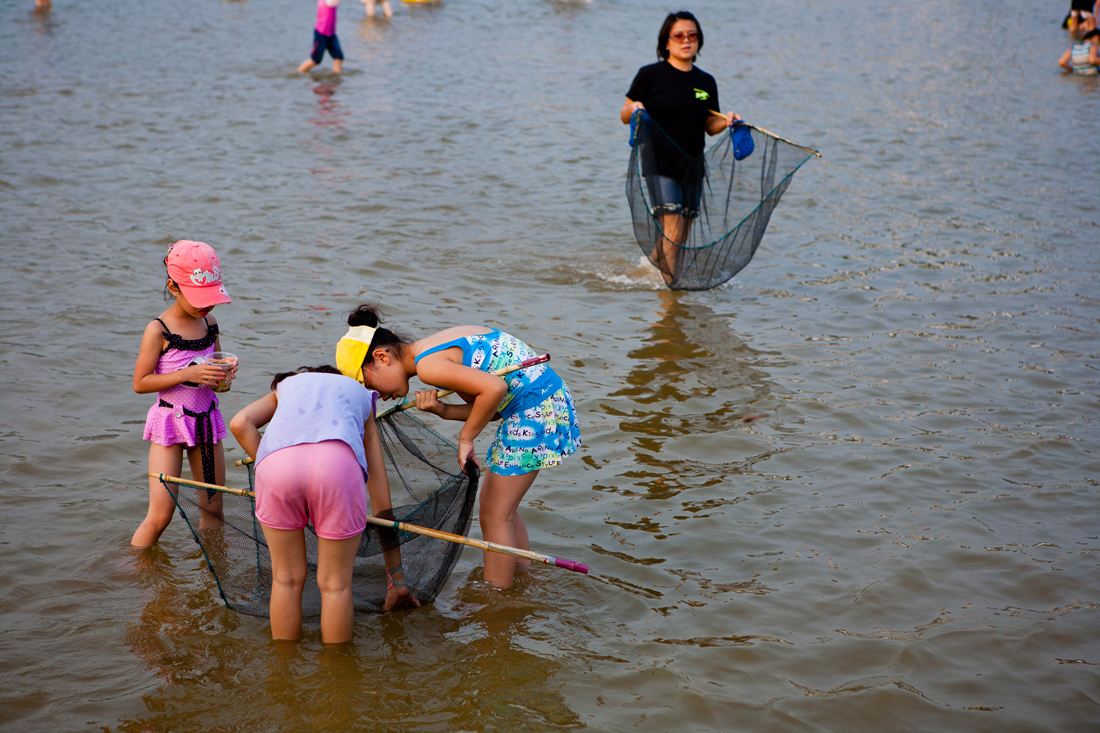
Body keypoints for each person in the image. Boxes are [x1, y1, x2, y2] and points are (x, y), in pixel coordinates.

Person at [334, 305, 582, 589]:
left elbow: (494, 390)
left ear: (381, 357)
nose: (376, 394)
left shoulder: (429, 366)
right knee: (499, 508)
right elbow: (493, 408)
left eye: (368, 383)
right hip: (542, 403)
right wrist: (441, 409)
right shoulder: (432, 348)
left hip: (535, 411)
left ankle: (497, 596)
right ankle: (523, 577)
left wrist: (465, 439)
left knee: (494, 514)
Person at [229, 365, 420, 643]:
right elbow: (378, 484)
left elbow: (239, 423)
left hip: (278, 464)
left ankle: (282, 668)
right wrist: (396, 576)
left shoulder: (287, 385)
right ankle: (337, 675)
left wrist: (272, 467)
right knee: (335, 585)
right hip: (337, 467)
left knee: (285, 579)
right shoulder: (363, 396)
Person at [620, 11, 740, 285]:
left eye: (692, 35)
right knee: (673, 231)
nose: (686, 40)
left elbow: (710, 124)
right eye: (679, 35)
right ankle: (670, 301)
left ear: (699, 41)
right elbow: (624, 113)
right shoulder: (650, 75)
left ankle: (646, 273)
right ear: (666, 42)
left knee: (680, 234)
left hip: (693, 165)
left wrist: (728, 120)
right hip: (660, 163)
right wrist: (634, 107)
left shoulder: (705, 82)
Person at [132, 240, 235, 548]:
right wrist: (187, 374)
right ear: (173, 287)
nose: (205, 305)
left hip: (205, 422)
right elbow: (140, 382)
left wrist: (221, 377)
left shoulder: (210, 324)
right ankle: (135, 565)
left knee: (214, 511)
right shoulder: (159, 329)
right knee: (161, 514)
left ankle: (212, 572)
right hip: (170, 424)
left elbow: (212, 367)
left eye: (210, 297)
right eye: (197, 297)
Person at [299, 0, 344, 74]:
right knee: (315, 60)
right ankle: (299, 73)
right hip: (321, 33)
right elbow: (332, 3)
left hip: (331, 34)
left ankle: (336, 80)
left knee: (338, 58)